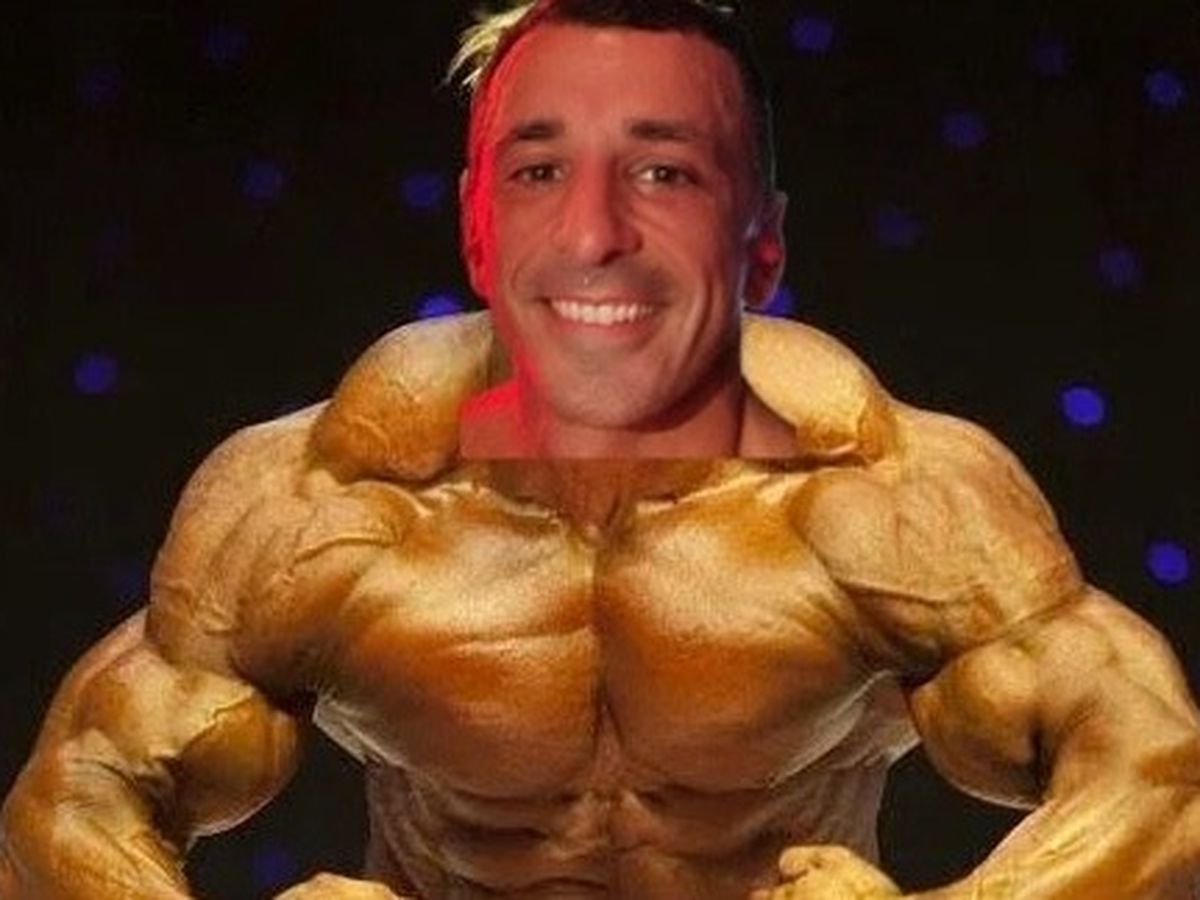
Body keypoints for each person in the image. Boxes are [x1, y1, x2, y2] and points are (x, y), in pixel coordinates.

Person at [3, 1, 1199, 897]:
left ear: (761, 247)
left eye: (664, 174)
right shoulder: (329, 499)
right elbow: (69, 806)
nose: (595, 232)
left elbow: (1161, 781)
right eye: (540, 172)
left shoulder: (884, 499)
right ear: (478, 229)